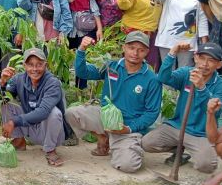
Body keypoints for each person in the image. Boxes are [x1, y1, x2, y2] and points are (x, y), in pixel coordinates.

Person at [66, 32, 162, 172]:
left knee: (128, 165)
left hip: (128, 128)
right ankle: (103, 137)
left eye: (140, 50)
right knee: (71, 113)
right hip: (106, 117)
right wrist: (81, 50)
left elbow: (152, 113)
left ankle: (127, 146)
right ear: (124, 48)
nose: (135, 53)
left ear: (147, 52)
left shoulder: (151, 79)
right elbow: (83, 73)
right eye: (131, 47)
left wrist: (128, 129)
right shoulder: (111, 66)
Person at [142, 42, 222, 172]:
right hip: (177, 126)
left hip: (200, 133)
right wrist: (172, 53)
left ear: (219, 65)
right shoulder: (186, 73)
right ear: (195, 57)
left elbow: (212, 111)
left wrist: (201, 87)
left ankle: (203, 149)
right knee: (147, 143)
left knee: (206, 166)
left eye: (211, 60)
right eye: (202, 58)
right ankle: (179, 150)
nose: (205, 64)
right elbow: (163, 78)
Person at [0, 48, 67, 167]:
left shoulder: (53, 83)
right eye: (30, 65)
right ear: (24, 66)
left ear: (46, 65)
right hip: (30, 128)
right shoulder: (19, 79)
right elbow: (1, 98)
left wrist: (13, 122)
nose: (35, 69)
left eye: (39, 65)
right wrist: (2, 83)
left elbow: (43, 112)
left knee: (54, 113)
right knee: (5, 103)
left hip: (48, 132)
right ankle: (19, 140)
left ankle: (50, 149)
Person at [152, 0, 209, 67]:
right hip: (166, 40)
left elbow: (202, 19)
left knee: (185, 72)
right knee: (167, 71)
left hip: (188, 41)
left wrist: (204, 41)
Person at [59, 0, 102, 87]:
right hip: (67, 27)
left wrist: (99, 28)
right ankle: (64, 89)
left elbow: (93, 6)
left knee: (83, 57)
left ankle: (81, 89)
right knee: (65, 58)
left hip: (85, 26)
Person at [117, 0, 162, 68]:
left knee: (149, 66)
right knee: (131, 65)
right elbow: (123, 5)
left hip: (151, 34)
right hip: (134, 35)